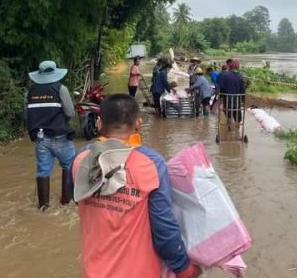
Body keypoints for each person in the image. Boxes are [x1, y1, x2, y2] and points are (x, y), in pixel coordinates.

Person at [72, 94, 202, 278]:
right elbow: (163, 227)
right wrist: (183, 268)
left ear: (99, 124)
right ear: (138, 124)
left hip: (92, 272)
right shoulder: (152, 163)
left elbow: (78, 199)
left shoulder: (80, 159)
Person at [25, 60, 76, 211]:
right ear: (55, 73)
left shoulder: (30, 92)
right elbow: (69, 112)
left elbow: (27, 116)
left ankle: (43, 207)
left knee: (43, 170)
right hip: (60, 136)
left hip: (40, 138)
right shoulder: (61, 89)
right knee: (69, 165)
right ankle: (66, 202)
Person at [218, 59, 246, 123]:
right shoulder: (241, 76)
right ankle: (237, 131)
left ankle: (229, 129)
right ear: (238, 66)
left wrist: (221, 99)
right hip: (237, 101)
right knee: (237, 117)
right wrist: (243, 100)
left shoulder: (226, 75)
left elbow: (222, 88)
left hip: (227, 100)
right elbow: (243, 89)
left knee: (229, 116)